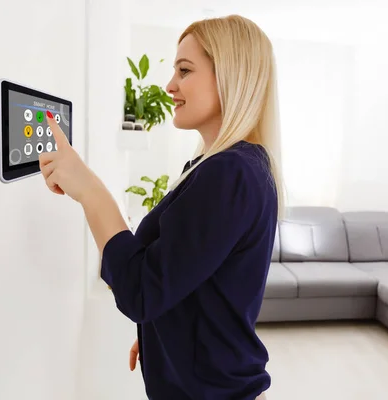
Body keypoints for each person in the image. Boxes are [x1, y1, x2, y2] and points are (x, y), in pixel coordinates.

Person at [38, 14, 285, 400]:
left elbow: (141, 291)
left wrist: (89, 189)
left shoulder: (230, 173)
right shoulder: (230, 167)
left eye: (185, 71)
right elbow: (193, 276)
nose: (170, 86)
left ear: (230, 76)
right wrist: (165, 336)